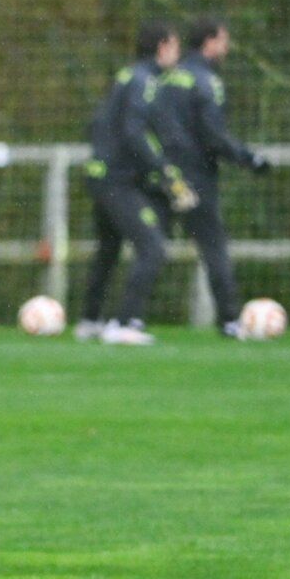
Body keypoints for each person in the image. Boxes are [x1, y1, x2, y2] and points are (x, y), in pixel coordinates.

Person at [74, 22, 196, 346]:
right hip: (116, 180)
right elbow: (135, 132)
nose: (178, 53)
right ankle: (124, 322)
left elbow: (100, 124)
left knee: (108, 249)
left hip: (100, 174)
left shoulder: (127, 76)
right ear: (163, 46)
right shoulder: (146, 82)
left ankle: (90, 320)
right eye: (175, 45)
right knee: (152, 247)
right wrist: (165, 173)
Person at [155, 17, 271, 337]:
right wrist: (250, 159)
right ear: (209, 42)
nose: (227, 47)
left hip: (158, 172)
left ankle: (117, 318)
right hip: (194, 177)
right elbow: (214, 136)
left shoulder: (168, 78)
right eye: (223, 40)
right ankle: (230, 320)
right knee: (213, 246)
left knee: (146, 245)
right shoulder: (207, 82)